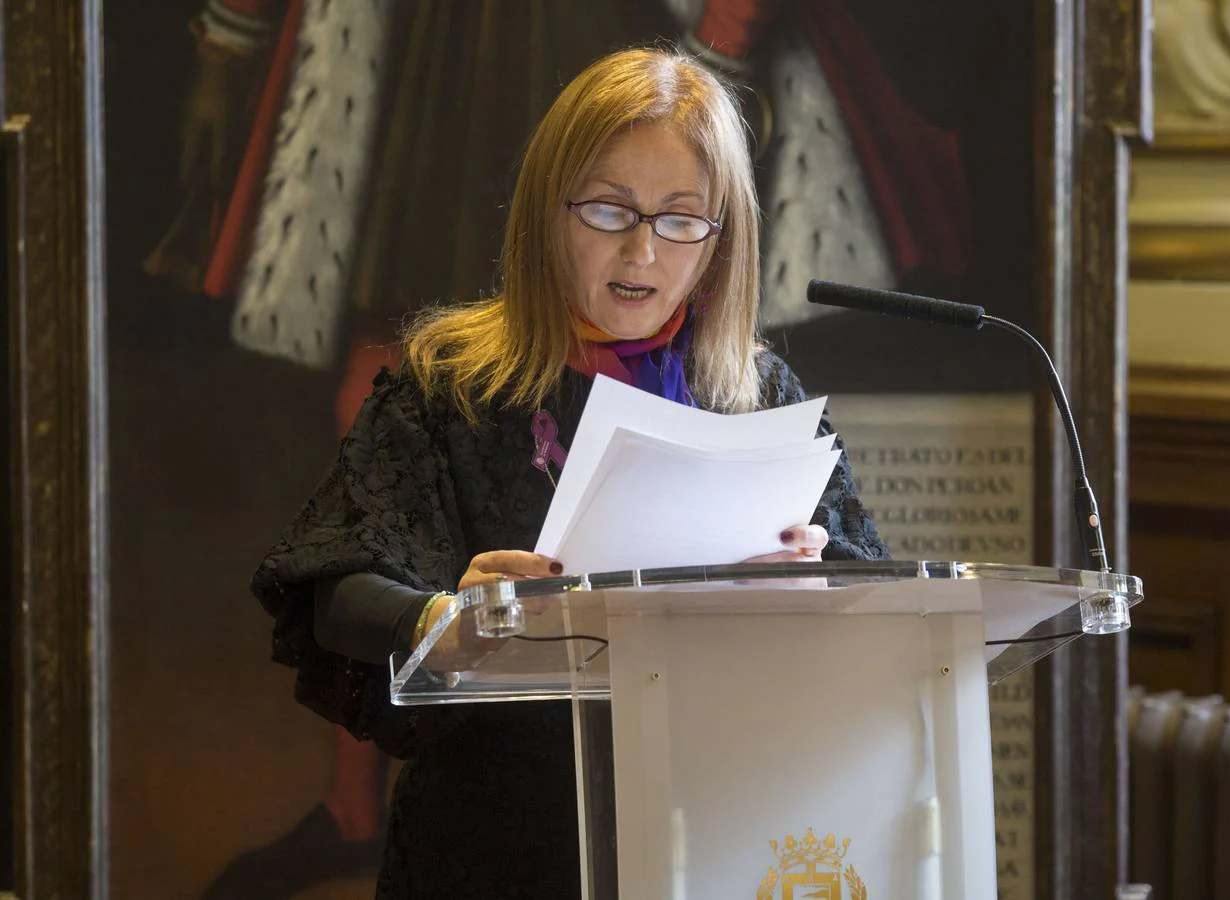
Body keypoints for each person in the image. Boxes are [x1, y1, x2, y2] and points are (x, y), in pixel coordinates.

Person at [251, 46, 888, 898]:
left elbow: (869, 580)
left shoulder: (759, 393)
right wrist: (446, 615)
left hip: (717, 833)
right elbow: (337, 586)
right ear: (548, 214)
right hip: (500, 839)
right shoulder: (450, 382)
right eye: (608, 210)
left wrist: (810, 579)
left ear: (719, 238)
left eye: (680, 219)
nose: (643, 250)